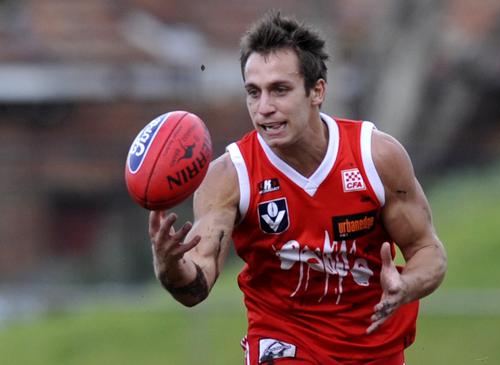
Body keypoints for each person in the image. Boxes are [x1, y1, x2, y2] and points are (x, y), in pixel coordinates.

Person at [148, 11, 447, 365]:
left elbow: (428, 251)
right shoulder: (230, 175)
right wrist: (170, 266)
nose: (264, 109)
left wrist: (406, 284)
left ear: (317, 91)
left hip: (372, 346)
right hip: (283, 341)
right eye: (253, 93)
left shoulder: (375, 157)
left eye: (279, 90)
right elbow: (197, 283)